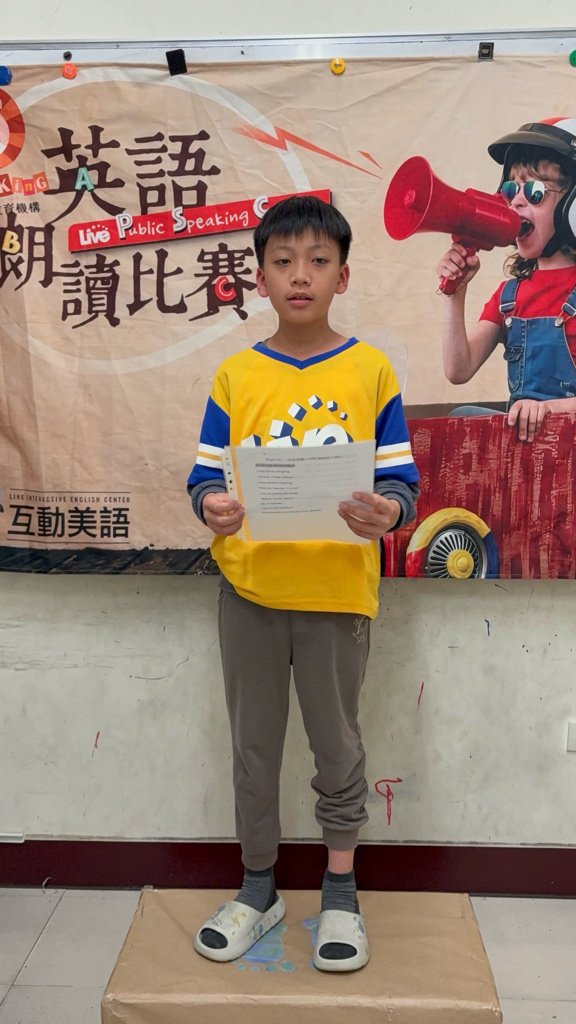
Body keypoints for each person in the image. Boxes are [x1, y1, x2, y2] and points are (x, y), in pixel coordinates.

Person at [186, 195, 419, 972]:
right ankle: (259, 890)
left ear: (342, 276)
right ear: (259, 277)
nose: (300, 275)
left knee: (337, 747)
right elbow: (203, 478)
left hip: (336, 595)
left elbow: (401, 484)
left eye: (318, 261)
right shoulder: (235, 375)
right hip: (249, 592)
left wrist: (389, 511)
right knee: (254, 748)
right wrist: (211, 506)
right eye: (282, 261)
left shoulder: (371, 370)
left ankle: (340, 895)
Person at [437, 117, 576, 441]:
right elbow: (458, 370)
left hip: (570, 447)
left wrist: (550, 409)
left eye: (535, 191)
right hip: (524, 451)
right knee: (461, 418)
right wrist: (456, 294)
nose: (516, 201)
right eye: (511, 189)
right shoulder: (508, 295)